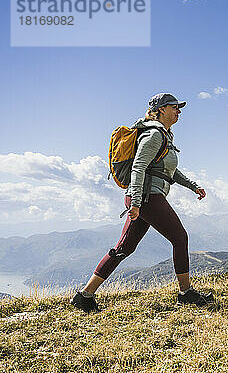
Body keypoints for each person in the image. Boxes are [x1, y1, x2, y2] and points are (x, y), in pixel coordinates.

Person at [71, 93, 213, 313]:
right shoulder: (154, 135)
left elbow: (170, 171)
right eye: (175, 107)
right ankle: (186, 294)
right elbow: (138, 167)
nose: (179, 111)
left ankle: (85, 295)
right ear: (161, 109)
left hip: (144, 197)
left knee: (124, 247)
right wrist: (136, 202)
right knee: (180, 237)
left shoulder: (165, 135)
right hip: (147, 198)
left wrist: (193, 186)